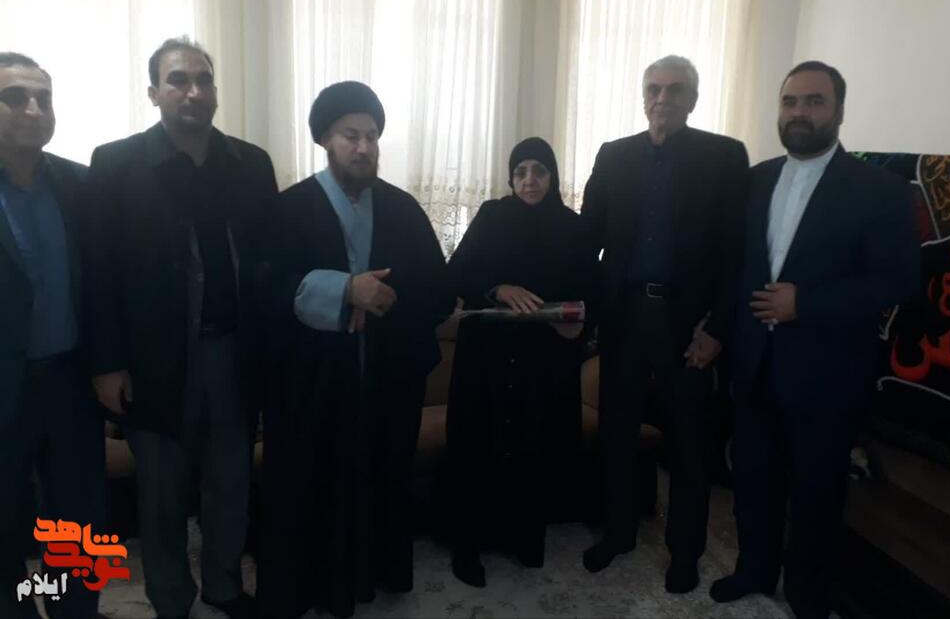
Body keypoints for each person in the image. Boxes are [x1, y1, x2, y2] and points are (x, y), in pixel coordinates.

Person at [710, 61, 921, 619]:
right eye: (790, 101)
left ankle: (807, 594)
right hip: (755, 365)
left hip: (828, 373)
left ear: (839, 111)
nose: (799, 112)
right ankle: (754, 570)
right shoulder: (755, 180)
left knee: (816, 493)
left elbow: (899, 281)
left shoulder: (880, 190)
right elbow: (736, 267)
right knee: (753, 480)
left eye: (814, 101)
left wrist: (807, 303)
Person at [85, 37, 278, 619]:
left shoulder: (251, 164)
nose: (194, 91)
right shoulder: (116, 164)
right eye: (178, 80)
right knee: (162, 494)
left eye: (204, 79)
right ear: (153, 92)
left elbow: (271, 265)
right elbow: (98, 272)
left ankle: (224, 585)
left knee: (230, 483)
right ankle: (170, 598)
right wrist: (107, 364)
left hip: (234, 354)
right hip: (154, 360)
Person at [258, 81, 453, 619]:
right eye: (350, 135)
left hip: (386, 382)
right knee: (314, 484)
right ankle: (317, 585)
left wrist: (385, 297)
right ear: (326, 139)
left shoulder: (403, 209)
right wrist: (343, 290)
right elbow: (265, 286)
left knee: (380, 479)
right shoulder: (289, 208)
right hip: (313, 385)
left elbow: (438, 290)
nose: (363, 147)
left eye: (371, 136)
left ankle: (374, 575)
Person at [579, 55, 749, 592]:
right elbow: (587, 240)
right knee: (617, 434)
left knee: (690, 443)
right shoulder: (614, 155)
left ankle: (685, 552)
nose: (662, 98)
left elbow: (735, 255)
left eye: (675, 90)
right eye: (653, 88)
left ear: (692, 99)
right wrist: (584, 313)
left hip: (689, 325)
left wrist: (718, 329)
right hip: (625, 318)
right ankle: (619, 532)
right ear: (643, 95)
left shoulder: (724, 157)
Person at [444, 137, 597, 588]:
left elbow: (592, 290)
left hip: (542, 360)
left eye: (539, 171)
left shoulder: (572, 227)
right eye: (521, 172)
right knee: (477, 446)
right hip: (487, 356)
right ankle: (468, 546)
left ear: (553, 177)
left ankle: (524, 536)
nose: (530, 180)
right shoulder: (492, 216)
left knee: (534, 448)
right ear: (510, 179)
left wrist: (578, 326)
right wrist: (499, 288)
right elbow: (457, 273)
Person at [0, 52, 106, 618]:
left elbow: (106, 284)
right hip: (3, 385)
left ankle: (71, 611)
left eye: (43, 98)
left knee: (77, 526)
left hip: (70, 381)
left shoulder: (80, 185)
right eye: (14, 97)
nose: (34, 109)